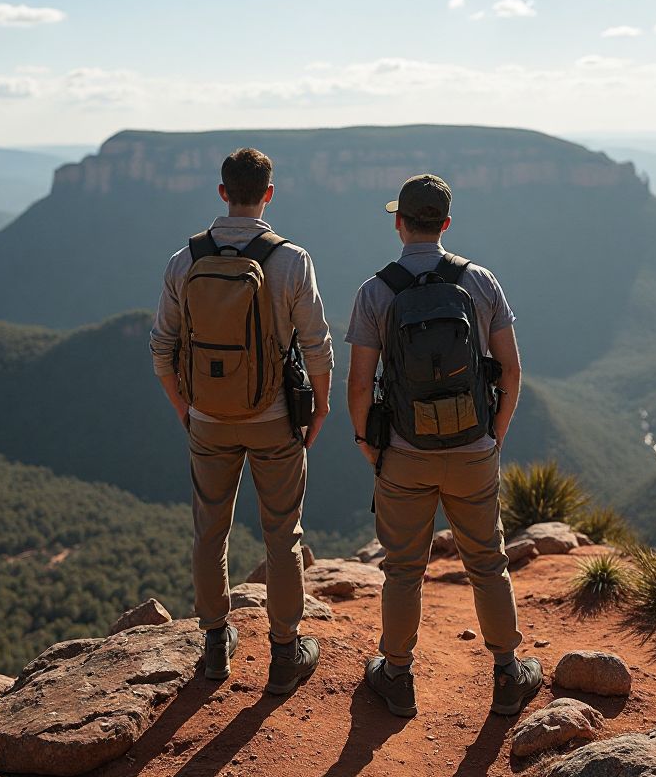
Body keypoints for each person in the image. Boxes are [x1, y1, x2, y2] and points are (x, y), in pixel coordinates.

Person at [345, 173, 541, 718]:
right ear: (447, 224)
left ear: (400, 224)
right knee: (486, 562)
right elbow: (512, 368)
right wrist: (494, 433)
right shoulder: (480, 282)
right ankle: (507, 674)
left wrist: (367, 442)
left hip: (403, 452)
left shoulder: (375, 291)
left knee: (404, 569)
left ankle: (397, 676)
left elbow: (360, 382)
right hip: (474, 447)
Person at [150, 147, 333, 694]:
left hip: (207, 418)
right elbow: (318, 346)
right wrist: (319, 408)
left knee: (210, 530)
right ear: (268, 194)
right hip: (275, 419)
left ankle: (214, 645)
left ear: (222, 191)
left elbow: (161, 348)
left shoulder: (183, 261)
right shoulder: (292, 260)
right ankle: (284, 652)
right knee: (282, 535)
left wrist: (186, 409)